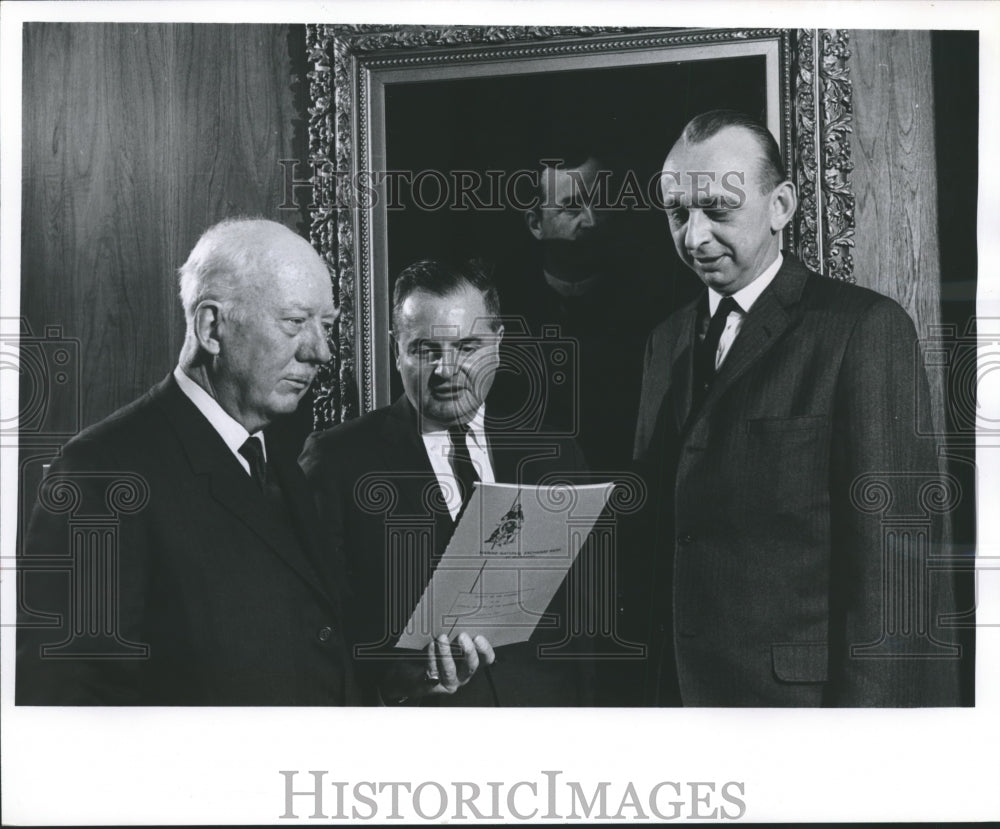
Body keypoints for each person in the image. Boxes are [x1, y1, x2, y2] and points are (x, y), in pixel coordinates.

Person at [16, 218, 481, 706]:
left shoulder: (277, 461)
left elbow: (313, 649)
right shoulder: (102, 473)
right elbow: (65, 703)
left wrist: (405, 678)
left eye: (326, 327)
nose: (320, 352)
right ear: (212, 327)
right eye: (295, 323)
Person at [631, 110, 960, 706]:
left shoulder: (863, 329)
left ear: (781, 205)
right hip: (675, 712)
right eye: (678, 212)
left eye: (718, 209)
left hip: (803, 717)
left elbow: (896, 572)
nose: (694, 236)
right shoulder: (664, 342)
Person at [300, 259, 596, 706]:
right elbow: (315, 632)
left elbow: (586, 624)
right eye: (424, 349)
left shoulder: (556, 456)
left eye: (467, 346)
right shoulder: (336, 462)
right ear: (395, 349)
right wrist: (392, 688)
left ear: (498, 344)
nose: (445, 370)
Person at [494, 153, 672, 473]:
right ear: (536, 224)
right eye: (572, 207)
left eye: (598, 203)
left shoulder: (650, 311)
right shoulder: (501, 315)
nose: (591, 220)